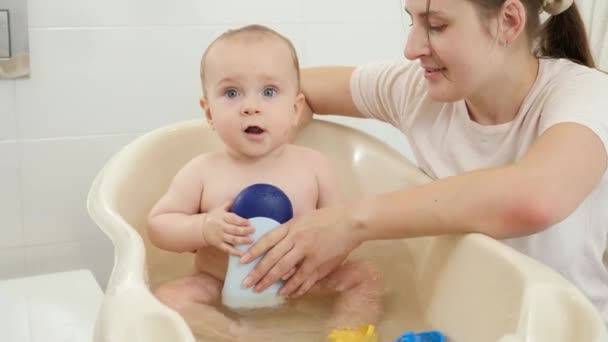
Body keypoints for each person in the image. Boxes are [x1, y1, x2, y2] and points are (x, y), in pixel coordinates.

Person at [240, 0, 608, 324]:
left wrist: (347, 223)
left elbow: (536, 197)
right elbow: (286, 91)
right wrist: (257, 160)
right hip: (462, 323)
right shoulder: (415, 90)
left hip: (558, 328)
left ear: (509, 21)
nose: (411, 48)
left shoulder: (585, 96)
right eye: (412, 21)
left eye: (436, 26)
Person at [146, 24, 384, 341]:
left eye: (269, 92)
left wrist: (312, 262)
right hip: (218, 283)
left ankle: (343, 335)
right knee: (167, 297)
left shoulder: (314, 166)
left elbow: (342, 231)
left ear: (296, 109)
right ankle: (236, 334)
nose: (251, 106)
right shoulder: (202, 171)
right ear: (209, 112)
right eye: (231, 93)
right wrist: (203, 227)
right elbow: (159, 225)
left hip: (300, 282)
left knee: (367, 277)